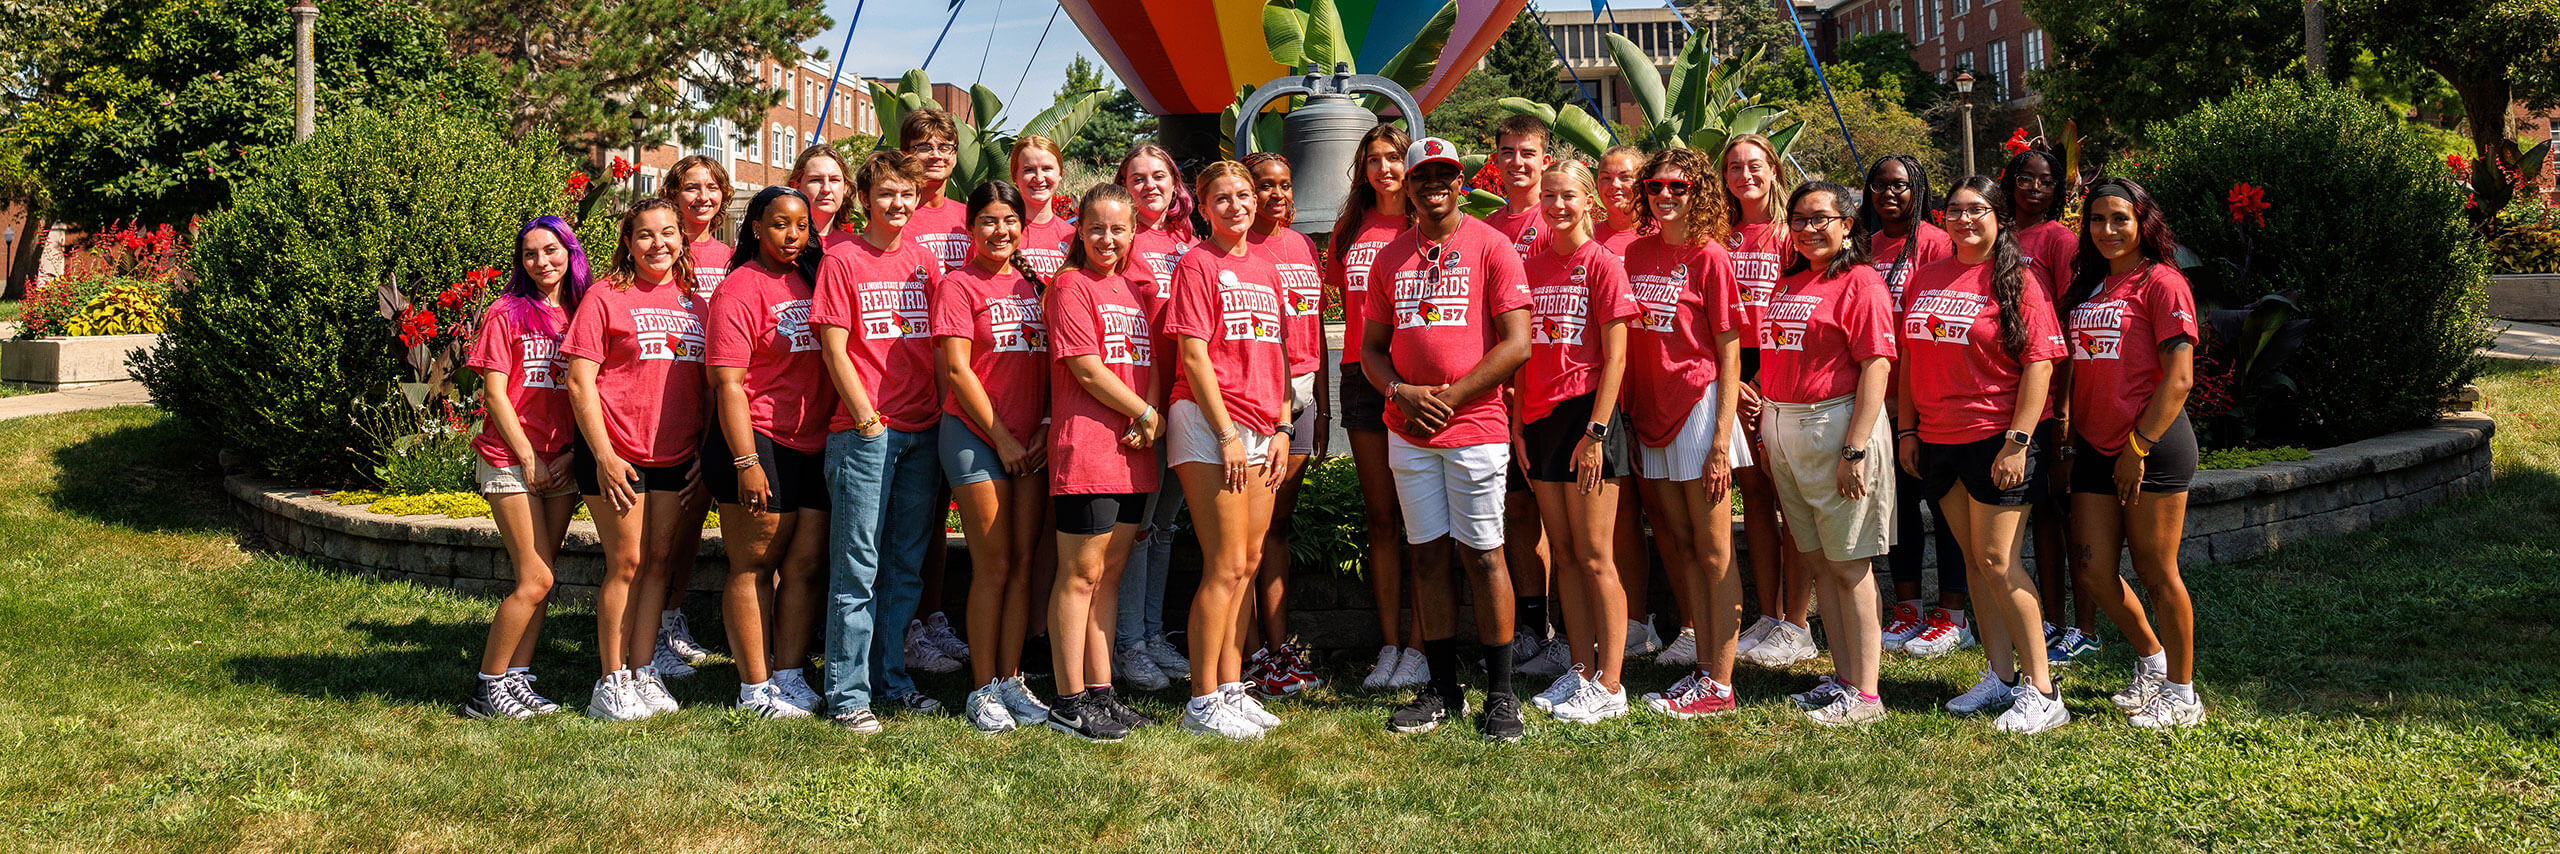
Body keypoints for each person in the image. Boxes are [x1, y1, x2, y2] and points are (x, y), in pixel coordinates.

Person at [1362, 137, 1535, 743]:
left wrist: (1451, 397)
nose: (1433, 184)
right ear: (1406, 186)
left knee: (1484, 554)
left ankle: (1502, 693)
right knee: (1428, 553)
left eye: (1445, 175)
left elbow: (1517, 343)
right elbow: (1371, 351)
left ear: (1460, 182)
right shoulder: (1390, 258)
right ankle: (1441, 687)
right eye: (1422, 177)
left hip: (1475, 426)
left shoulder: (1492, 246)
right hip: (1409, 431)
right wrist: (1399, 394)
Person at [1896, 176, 2071, 734]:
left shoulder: (2018, 278)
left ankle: (2043, 691)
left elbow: (2041, 363)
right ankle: (2001, 676)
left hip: (1998, 438)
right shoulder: (1925, 276)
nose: (1963, 219)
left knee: (1998, 561)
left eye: (1976, 210)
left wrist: (2018, 441)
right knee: (1973, 562)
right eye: (1954, 210)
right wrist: (1907, 431)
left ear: (1999, 217)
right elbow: (1908, 357)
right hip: (1939, 439)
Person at [811, 150, 951, 734]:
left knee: (905, 567)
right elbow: (834, 348)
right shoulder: (843, 260)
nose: (899, 204)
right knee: (857, 567)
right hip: (866, 433)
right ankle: (846, 693)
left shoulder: (924, 261)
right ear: (865, 198)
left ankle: (890, 680)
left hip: (921, 429)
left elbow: (940, 345)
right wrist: (866, 416)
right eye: (887, 193)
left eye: (907, 194)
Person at [2061, 178, 2205, 729]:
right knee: (2092, 570)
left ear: (2143, 222)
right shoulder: (2092, 287)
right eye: (2096, 220)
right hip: (2096, 447)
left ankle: (2182, 693)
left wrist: (2138, 446)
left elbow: (2180, 378)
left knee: (2155, 571)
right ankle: (2151, 660)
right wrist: (2069, 436)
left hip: (2153, 446)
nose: (2107, 230)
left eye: (2120, 218)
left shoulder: (2162, 283)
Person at [1619, 147, 1755, 720]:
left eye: (1679, 187)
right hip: (1649, 415)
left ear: (1697, 192)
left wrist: (1722, 440)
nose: (1666, 195)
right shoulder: (1633, 253)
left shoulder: (1711, 257)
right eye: (1656, 187)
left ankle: (1721, 683)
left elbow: (1730, 354)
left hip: (1700, 411)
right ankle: (1703, 669)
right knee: (1681, 543)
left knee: (1716, 548)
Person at [561, 199, 709, 722]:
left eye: (668, 233)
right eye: (644, 235)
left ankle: (643, 671)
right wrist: (602, 455)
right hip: (616, 455)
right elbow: (579, 381)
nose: (658, 244)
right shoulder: (606, 296)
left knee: (659, 566)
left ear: (682, 238)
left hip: (674, 456)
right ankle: (610, 680)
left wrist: (701, 451)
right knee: (626, 563)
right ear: (628, 241)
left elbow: (706, 386)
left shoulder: (696, 301)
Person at [1759, 182, 1898, 727]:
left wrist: (1856, 448)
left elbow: (1877, 365)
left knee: (1848, 564)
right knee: (1820, 561)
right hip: (1786, 424)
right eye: (1799, 219)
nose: (1809, 228)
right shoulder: (1792, 280)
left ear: (1847, 225)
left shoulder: (1860, 281)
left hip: (1836, 425)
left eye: (1822, 218)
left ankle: (1865, 694)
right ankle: (1843, 679)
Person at [1163, 161, 1292, 740]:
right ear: (1203, 207)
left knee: (1248, 561)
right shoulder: (1196, 263)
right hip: (1210, 424)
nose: (1237, 205)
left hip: (1265, 427)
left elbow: (1281, 353)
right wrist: (1227, 434)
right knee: (1221, 564)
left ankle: (1232, 687)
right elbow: (1193, 356)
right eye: (1223, 198)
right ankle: (1202, 699)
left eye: (1244, 195)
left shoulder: (1265, 264)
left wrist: (1284, 425)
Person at [1514, 160, 1639, 724]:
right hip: (1539, 421)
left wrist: (1596, 431)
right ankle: (1582, 670)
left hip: (1587, 418)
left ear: (1589, 201)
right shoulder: (1529, 266)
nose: (1557, 205)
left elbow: (1617, 356)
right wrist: (1518, 423)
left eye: (1568, 196)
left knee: (1595, 557)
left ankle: (1611, 684)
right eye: (1550, 196)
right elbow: (1521, 350)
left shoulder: (1603, 264)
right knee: (1564, 555)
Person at [704, 186, 836, 718]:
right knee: (754, 565)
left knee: (803, 567)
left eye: (801, 225)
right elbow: (728, 385)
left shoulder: (813, 278)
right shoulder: (739, 289)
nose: (792, 235)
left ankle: (789, 673)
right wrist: (747, 462)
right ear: (756, 227)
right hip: (759, 440)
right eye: (780, 224)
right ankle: (754, 687)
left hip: (815, 441)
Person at [937, 180, 1059, 733]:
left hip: (1030, 440)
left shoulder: (1038, 287)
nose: (1000, 231)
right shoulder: (959, 286)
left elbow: (1059, 361)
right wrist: (1004, 438)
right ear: (971, 228)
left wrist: (1044, 425)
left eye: (1009, 221)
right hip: (975, 436)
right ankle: (982, 688)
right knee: (993, 565)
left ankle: (1012, 681)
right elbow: (958, 371)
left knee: (1024, 564)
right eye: (988, 220)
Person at [1043, 184, 1163, 742]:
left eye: (1118, 229)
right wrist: (1143, 410)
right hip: (1087, 451)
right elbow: (1087, 369)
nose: (1107, 239)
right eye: (1096, 229)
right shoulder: (1070, 286)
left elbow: (1148, 362)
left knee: (1109, 577)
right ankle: (1068, 700)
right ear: (1079, 231)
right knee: (1080, 575)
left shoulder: (1131, 289)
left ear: (1133, 232)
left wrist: (1149, 415)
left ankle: (1101, 689)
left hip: (1133, 453)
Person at [459, 216, 590, 720]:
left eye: (551, 250)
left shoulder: (583, 312)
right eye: (531, 254)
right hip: (510, 460)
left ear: (569, 253)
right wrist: (530, 459)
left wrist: (571, 457)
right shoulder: (506, 312)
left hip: (561, 463)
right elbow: (494, 394)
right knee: (534, 579)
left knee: (545, 577)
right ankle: (486, 689)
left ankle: (517, 678)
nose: (542, 262)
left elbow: (595, 393)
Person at [1327, 122, 1429, 692]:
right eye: (1374, 160)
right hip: (1361, 376)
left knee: (1420, 522)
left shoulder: (1425, 223)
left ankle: (1420, 644)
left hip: (1416, 377)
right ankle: (1390, 644)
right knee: (1382, 519)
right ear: (1362, 170)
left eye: (1394, 159)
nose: (1385, 169)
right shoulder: (1349, 229)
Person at [1861, 154, 1973, 659]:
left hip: (1933, 396)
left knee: (1946, 509)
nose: (1889, 194)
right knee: (1899, 509)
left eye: (1900, 185)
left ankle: (1952, 615)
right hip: (1881, 400)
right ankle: (1907, 607)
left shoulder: (1935, 242)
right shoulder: (1860, 246)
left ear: (1919, 191)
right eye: (1879, 185)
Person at [1720, 134, 1818, 668]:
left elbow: (1807, 307)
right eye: (1734, 167)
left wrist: (1776, 382)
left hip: (1782, 367)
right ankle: (1769, 613)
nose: (1744, 175)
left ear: (1774, 170)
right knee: (1753, 496)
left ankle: (1799, 624)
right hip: (1736, 370)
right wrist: (1732, 381)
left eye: (1754, 165)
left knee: (1790, 498)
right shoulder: (1720, 234)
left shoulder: (1792, 232)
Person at [2004, 145, 2101, 667]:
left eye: (2045, 181)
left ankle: (2083, 627)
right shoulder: (2001, 236)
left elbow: (2068, 319)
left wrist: (2064, 408)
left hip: (2056, 381)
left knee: (2068, 513)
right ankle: (2052, 620)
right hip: (2019, 393)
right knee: (2042, 509)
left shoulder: (2059, 239)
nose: (2035, 187)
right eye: (2026, 177)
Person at [1240, 151, 1330, 699]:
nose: (1277, 195)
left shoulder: (1300, 246)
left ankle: (1277, 648)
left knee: (1276, 528)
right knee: (1246, 538)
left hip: (1302, 391)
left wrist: (1323, 405)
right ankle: (1249, 651)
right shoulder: (1239, 249)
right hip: (1258, 398)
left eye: (1284, 184)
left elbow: (1314, 321)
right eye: (1264, 186)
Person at [1112, 143, 1199, 690]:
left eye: (1159, 176)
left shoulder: (1188, 241)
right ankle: (1128, 643)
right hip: (1141, 400)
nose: (1149, 186)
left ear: (1175, 184)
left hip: (1183, 395)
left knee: (1164, 526)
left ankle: (1151, 632)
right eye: (1137, 178)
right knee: (1138, 527)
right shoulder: (1121, 242)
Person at [895, 111, 975, 669]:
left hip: (964, 379)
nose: (936, 155)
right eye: (923, 146)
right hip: (908, 377)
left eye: (945, 146)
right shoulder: (895, 214)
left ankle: (935, 615)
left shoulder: (967, 219)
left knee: (945, 510)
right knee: (911, 518)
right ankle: (908, 625)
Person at [652, 155, 733, 670]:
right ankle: (654, 626)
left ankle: (673, 616)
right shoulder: (660, 248)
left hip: (717, 401)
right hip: (669, 395)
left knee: (695, 520)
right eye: (690, 187)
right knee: (670, 528)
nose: (702, 196)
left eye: (711, 187)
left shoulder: (729, 257)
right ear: (673, 193)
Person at [1483, 115, 1558, 669]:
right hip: (1498, 395)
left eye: (1527, 152)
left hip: (1551, 392)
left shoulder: (1557, 218)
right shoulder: (1486, 229)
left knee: (1554, 512)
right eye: (1507, 152)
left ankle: (1563, 627)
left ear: (1545, 160)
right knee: (1516, 509)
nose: (1517, 162)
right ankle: (1531, 626)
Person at [1591, 143, 1671, 661]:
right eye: (1606, 175)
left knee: (1663, 517)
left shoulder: (1656, 236)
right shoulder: (1588, 237)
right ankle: (1630, 622)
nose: (1615, 185)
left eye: (1627, 177)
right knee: (1618, 518)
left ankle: (1673, 624)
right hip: (1601, 398)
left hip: (1654, 392)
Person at [1013, 134, 1077, 280]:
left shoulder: (1073, 238)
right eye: (1028, 170)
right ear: (1014, 176)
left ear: (1060, 173)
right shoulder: (1002, 233)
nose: (1039, 178)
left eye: (1047, 168)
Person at [794, 144, 856, 251]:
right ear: (795, 186)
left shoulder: (855, 247)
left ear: (845, 187)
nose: (826, 189)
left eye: (834, 180)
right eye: (815, 179)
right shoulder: (782, 244)